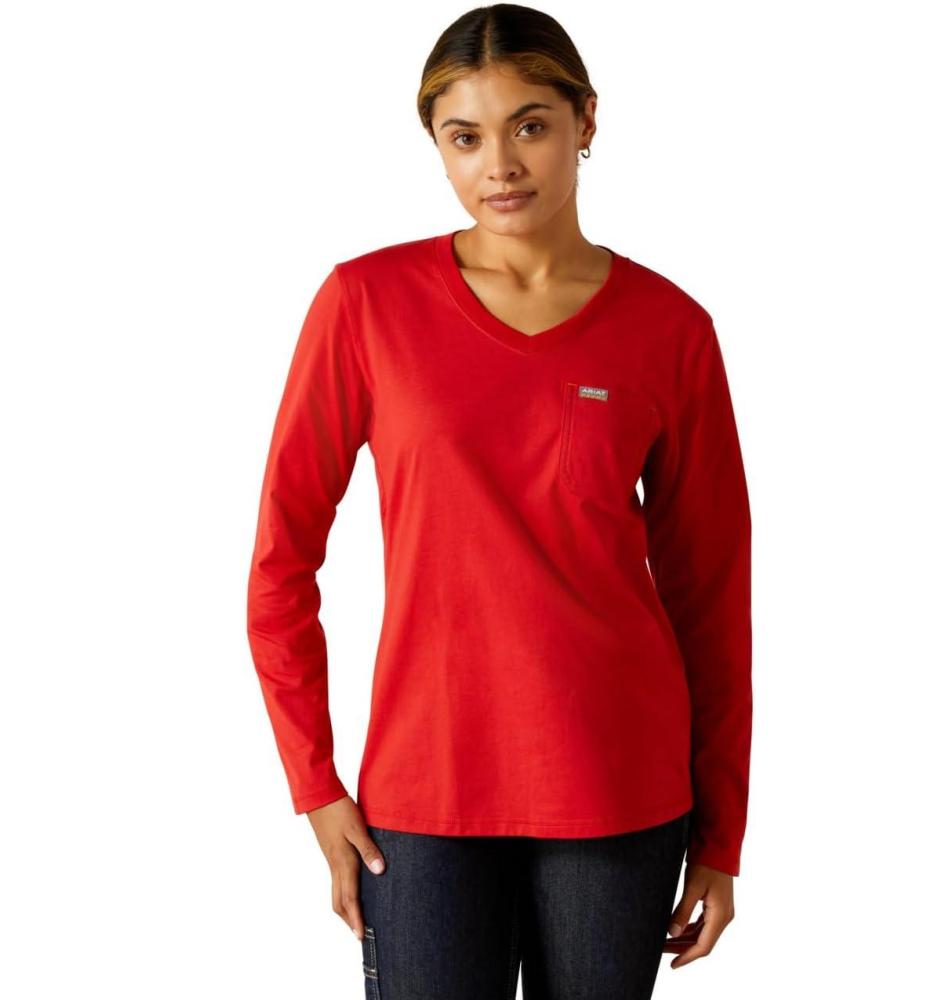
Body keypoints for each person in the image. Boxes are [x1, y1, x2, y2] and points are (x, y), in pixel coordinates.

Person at [246, 5, 752, 998]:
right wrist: (314, 783)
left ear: (586, 121)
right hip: (424, 791)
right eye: (465, 137)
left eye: (530, 125)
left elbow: (712, 596)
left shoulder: (670, 329)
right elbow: (280, 562)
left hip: (618, 787)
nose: (501, 165)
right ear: (435, 143)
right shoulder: (365, 305)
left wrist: (723, 832)